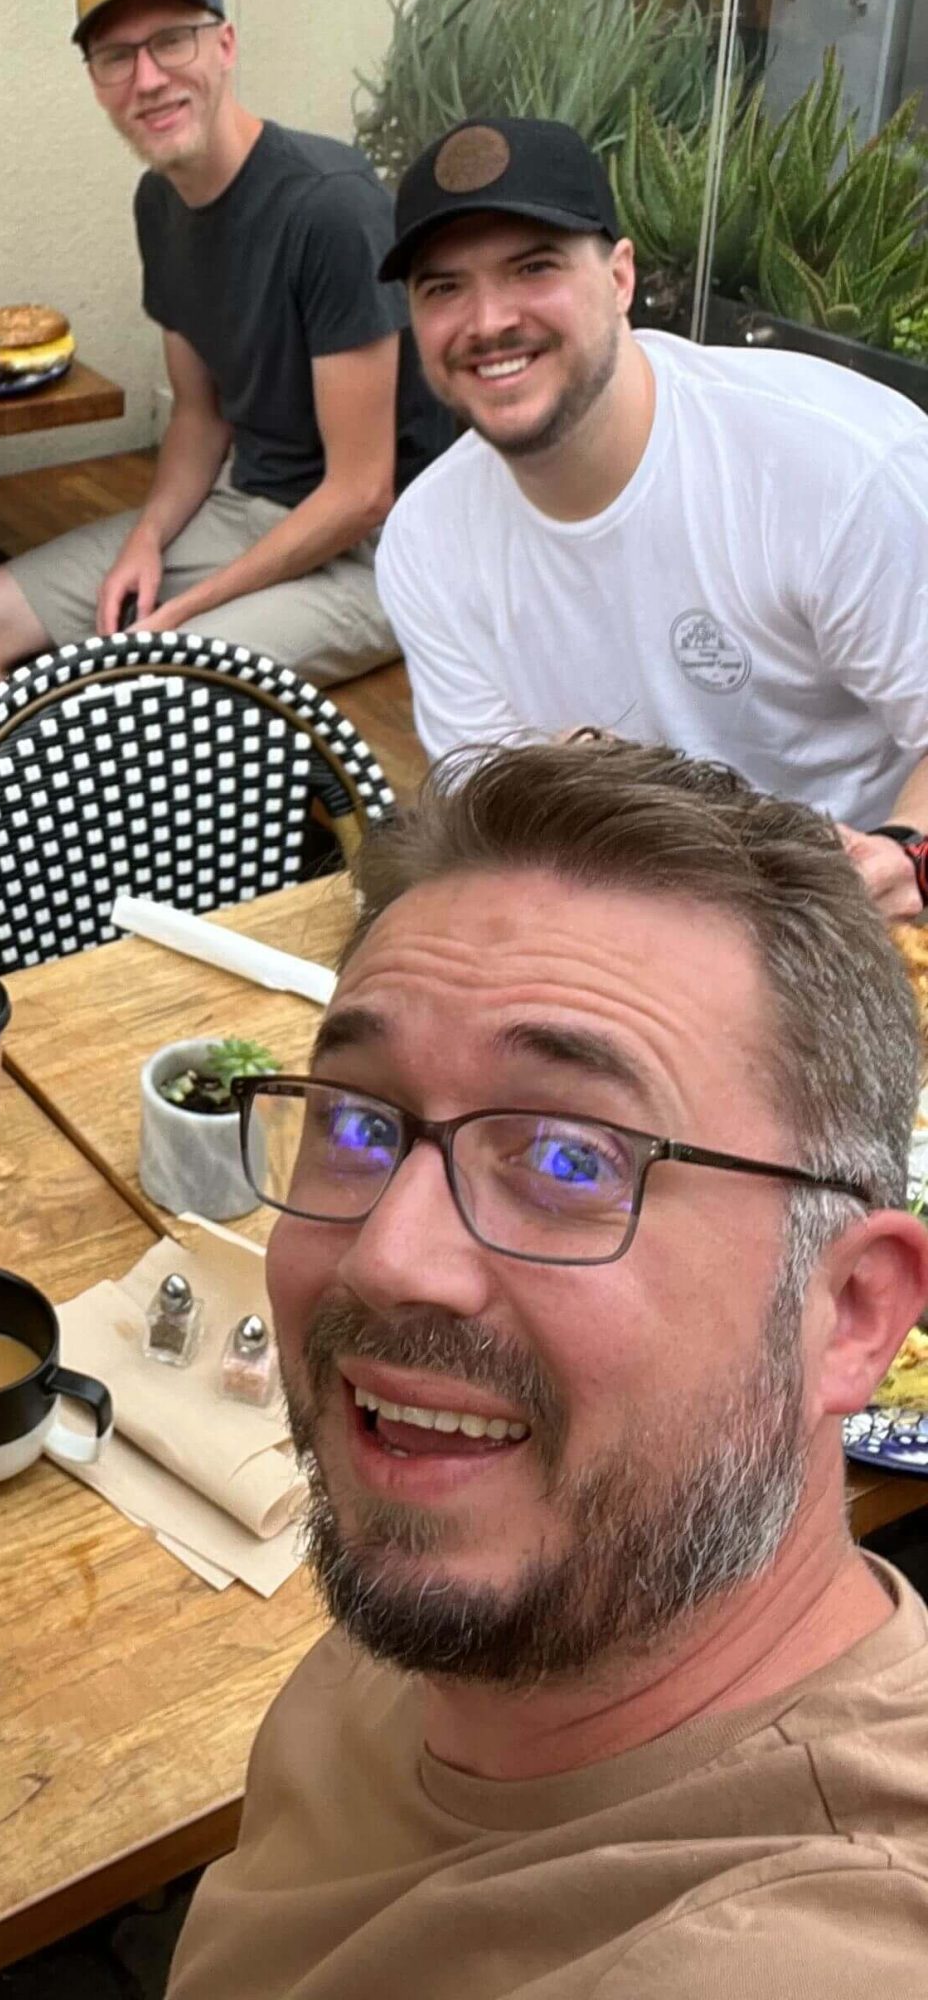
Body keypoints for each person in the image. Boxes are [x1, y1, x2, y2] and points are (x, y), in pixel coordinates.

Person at [168, 737, 928, 1997]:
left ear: (849, 1312)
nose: (390, 1258)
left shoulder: (805, 1943)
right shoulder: (489, 1598)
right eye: (359, 1125)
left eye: (574, 1159)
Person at [373, 114, 928, 918]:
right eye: (443, 287)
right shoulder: (426, 541)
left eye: (534, 267)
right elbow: (493, 805)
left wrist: (906, 854)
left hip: (849, 925)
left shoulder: (832, 466)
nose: (488, 319)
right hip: (619, 919)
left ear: (622, 279)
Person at [0, 0, 451, 721]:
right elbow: (202, 414)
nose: (148, 78)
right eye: (116, 56)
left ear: (224, 46)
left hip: (379, 554)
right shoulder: (158, 204)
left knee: (137, 693)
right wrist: (147, 542)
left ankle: (106, 831)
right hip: (245, 510)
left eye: (172, 41)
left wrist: (185, 614)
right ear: (96, 82)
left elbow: (363, 493)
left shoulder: (329, 207)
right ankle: (59, 846)